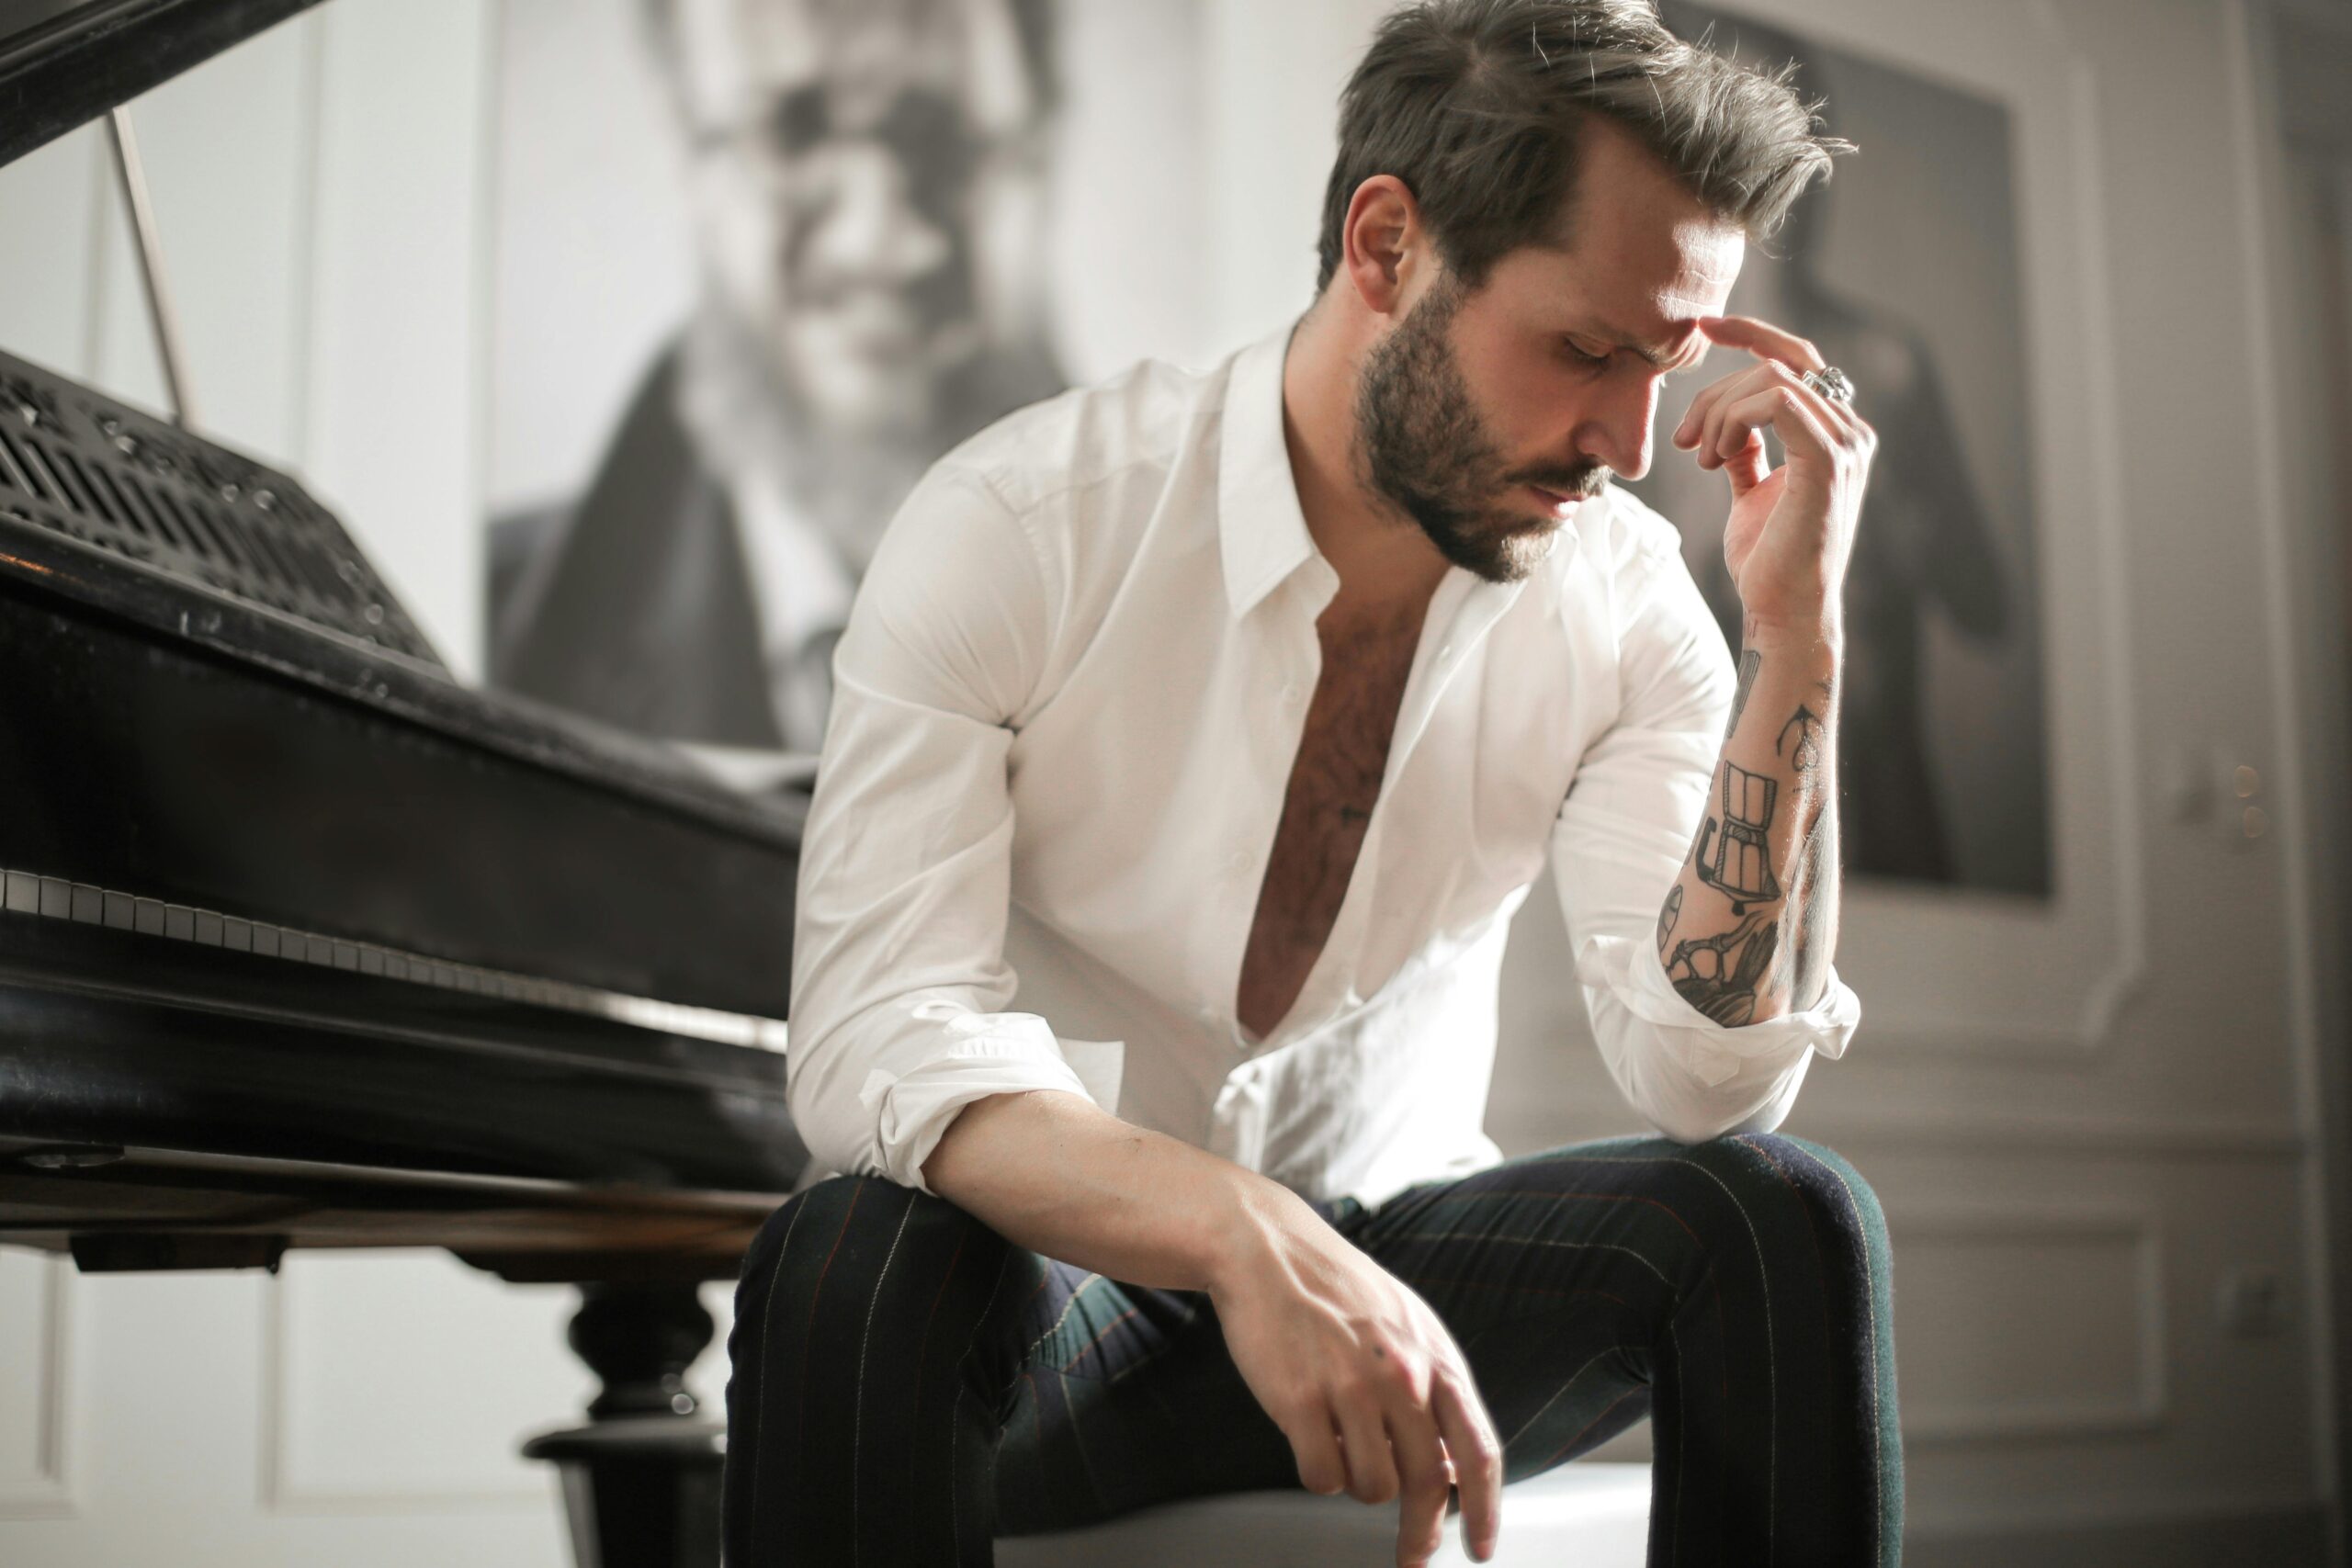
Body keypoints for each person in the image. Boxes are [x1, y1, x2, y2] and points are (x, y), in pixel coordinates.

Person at [726, 2, 1904, 1564]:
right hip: (1074, 1315)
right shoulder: (1021, 521)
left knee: (1783, 1218)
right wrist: (1232, 1228)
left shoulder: (1625, 606)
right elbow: (879, 1033)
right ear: (1387, 245)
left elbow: (1704, 1077)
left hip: (1414, 1301)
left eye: (1669, 365)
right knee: (851, 1253)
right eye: (1583, 348)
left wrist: (1796, 643)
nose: (1629, 440)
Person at [488, 0, 1066, 755]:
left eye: (945, 140)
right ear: (684, 145)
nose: (878, 241)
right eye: (788, 133)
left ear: (1043, 143)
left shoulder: (1211, 632)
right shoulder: (481, 636)